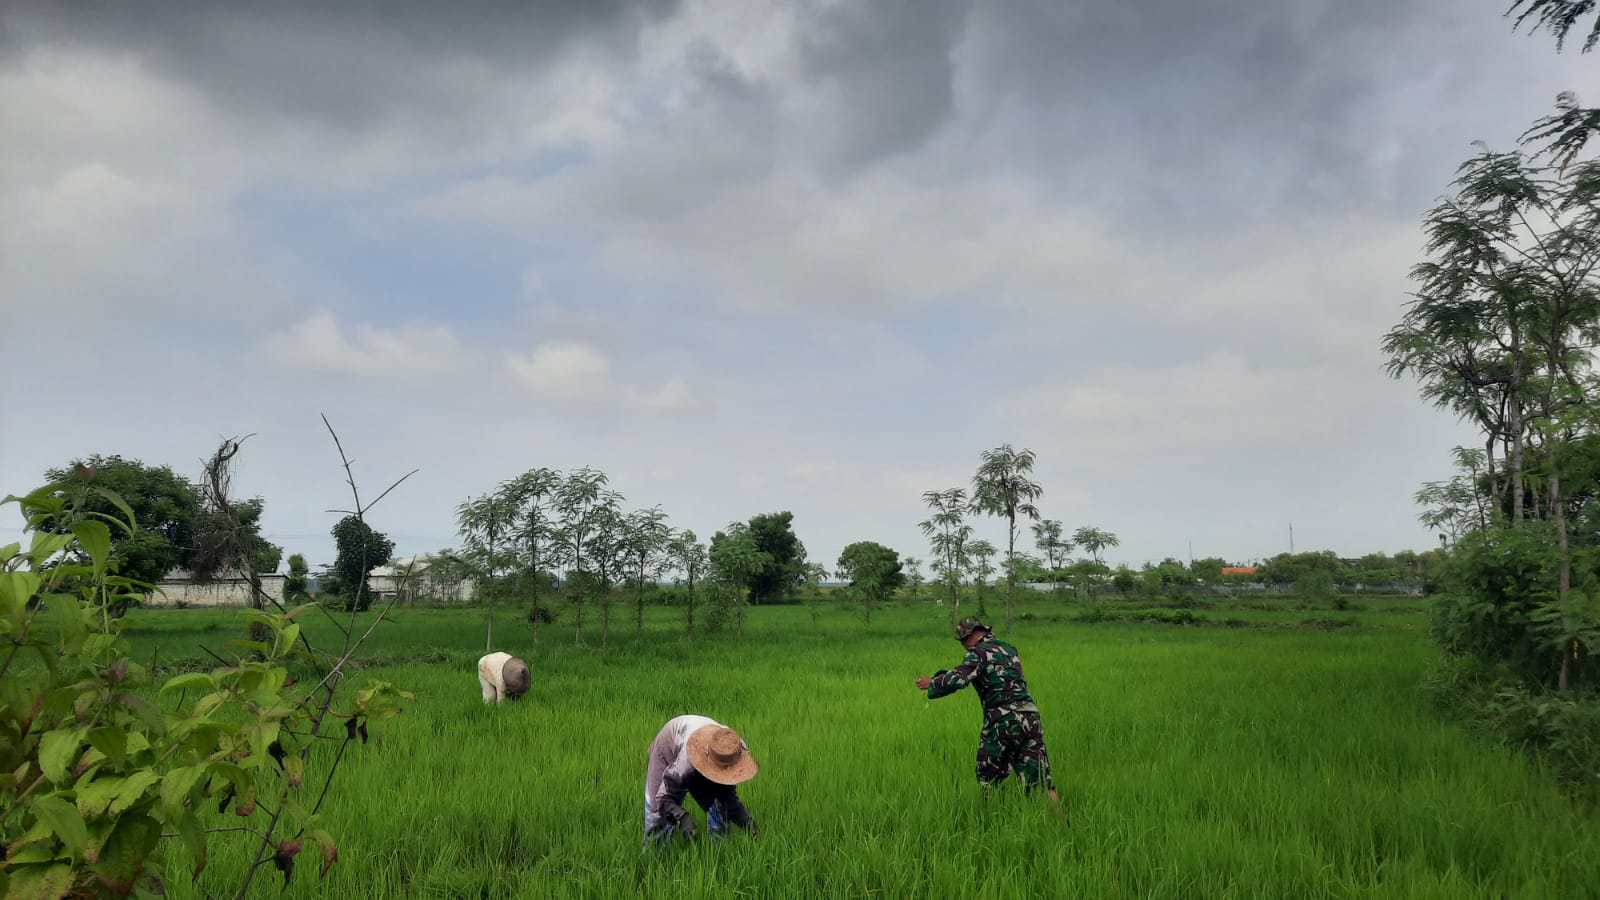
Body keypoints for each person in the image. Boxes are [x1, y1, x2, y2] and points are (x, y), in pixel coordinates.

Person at [917, 617, 1059, 802]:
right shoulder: (1010, 649)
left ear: (968, 637)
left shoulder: (977, 652)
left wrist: (933, 683)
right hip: (1030, 716)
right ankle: (1062, 822)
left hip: (1003, 719)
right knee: (1040, 780)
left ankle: (992, 817)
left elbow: (959, 679)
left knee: (988, 778)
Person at [643, 715, 760, 845]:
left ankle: (719, 846)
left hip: (704, 747)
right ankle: (655, 853)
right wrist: (682, 818)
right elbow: (663, 798)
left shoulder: (734, 748)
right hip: (669, 743)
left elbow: (727, 795)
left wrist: (745, 820)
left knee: (721, 803)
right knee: (656, 815)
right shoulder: (684, 764)